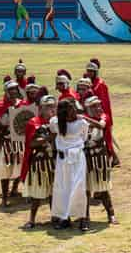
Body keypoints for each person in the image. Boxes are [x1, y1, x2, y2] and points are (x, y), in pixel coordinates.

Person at [50, 99, 89, 231]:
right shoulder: (55, 122)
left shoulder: (82, 123)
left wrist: (73, 149)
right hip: (62, 159)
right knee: (63, 188)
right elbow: (53, 137)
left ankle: (82, 218)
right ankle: (64, 218)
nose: (74, 111)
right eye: (70, 109)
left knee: (79, 187)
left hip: (77, 158)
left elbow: (84, 138)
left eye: (74, 108)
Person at [21, 95, 57, 229]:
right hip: (40, 162)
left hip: (54, 161)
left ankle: (55, 217)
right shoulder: (33, 122)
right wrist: (48, 137)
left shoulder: (57, 121)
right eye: (48, 107)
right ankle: (32, 219)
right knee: (38, 194)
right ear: (41, 108)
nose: (51, 110)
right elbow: (31, 143)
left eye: (53, 106)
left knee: (54, 192)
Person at [82, 96, 119, 225]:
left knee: (103, 188)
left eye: (99, 105)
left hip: (100, 158)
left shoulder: (103, 116)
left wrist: (84, 119)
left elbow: (101, 125)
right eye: (94, 106)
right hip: (86, 158)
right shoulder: (82, 122)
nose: (98, 108)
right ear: (88, 108)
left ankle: (111, 214)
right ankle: (85, 216)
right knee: (86, 189)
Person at [85, 61, 120, 167]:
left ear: (96, 72)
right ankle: (114, 158)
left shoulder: (100, 84)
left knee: (106, 139)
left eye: (91, 71)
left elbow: (103, 102)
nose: (89, 73)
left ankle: (114, 158)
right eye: (88, 71)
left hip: (103, 116)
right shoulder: (90, 83)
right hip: (94, 116)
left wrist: (103, 118)